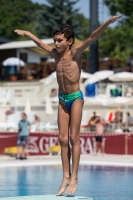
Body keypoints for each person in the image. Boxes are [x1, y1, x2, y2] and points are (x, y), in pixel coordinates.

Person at [14, 14, 122, 195]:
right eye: (55, 40)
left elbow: (92, 37)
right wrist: (27, 33)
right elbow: (40, 44)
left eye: (59, 40)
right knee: (62, 139)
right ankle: (65, 175)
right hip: (62, 99)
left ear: (69, 41)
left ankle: (75, 177)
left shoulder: (75, 53)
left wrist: (106, 22)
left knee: (74, 137)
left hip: (75, 97)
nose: (56, 44)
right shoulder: (55, 55)